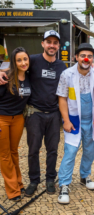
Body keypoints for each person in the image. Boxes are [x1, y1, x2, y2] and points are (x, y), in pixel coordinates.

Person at [0, 30, 67, 196]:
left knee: (52, 149)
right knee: (33, 150)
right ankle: (34, 180)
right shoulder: (33, 60)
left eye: (55, 42)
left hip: (53, 114)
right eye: (48, 42)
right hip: (34, 114)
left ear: (58, 46)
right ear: (43, 43)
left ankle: (50, 179)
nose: (52, 45)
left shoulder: (62, 66)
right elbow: (15, 67)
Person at [56, 43, 94, 204]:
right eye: (83, 55)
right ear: (76, 57)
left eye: (90, 56)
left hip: (92, 120)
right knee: (70, 152)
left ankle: (85, 176)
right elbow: (62, 98)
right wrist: (66, 120)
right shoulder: (67, 74)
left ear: (92, 59)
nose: (86, 58)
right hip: (74, 119)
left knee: (90, 151)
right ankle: (64, 184)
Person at [0, 47, 31, 202]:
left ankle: (18, 183)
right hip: (2, 119)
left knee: (14, 152)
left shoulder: (29, 77)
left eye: (25, 59)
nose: (23, 62)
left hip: (18, 119)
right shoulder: (5, 78)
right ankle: (13, 190)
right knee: (4, 154)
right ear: (14, 62)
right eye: (19, 60)